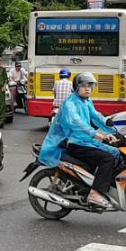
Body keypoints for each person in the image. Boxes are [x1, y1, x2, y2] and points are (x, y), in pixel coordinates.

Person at [38, 72, 121, 208]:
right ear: (77, 87)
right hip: (74, 142)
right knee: (108, 158)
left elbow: (97, 117)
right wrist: (96, 134)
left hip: (86, 141)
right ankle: (94, 194)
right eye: (84, 86)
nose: (87, 88)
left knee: (116, 152)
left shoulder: (86, 101)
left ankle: (100, 186)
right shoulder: (69, 104)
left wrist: (114, 131)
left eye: (90, 86)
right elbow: (76, 123)